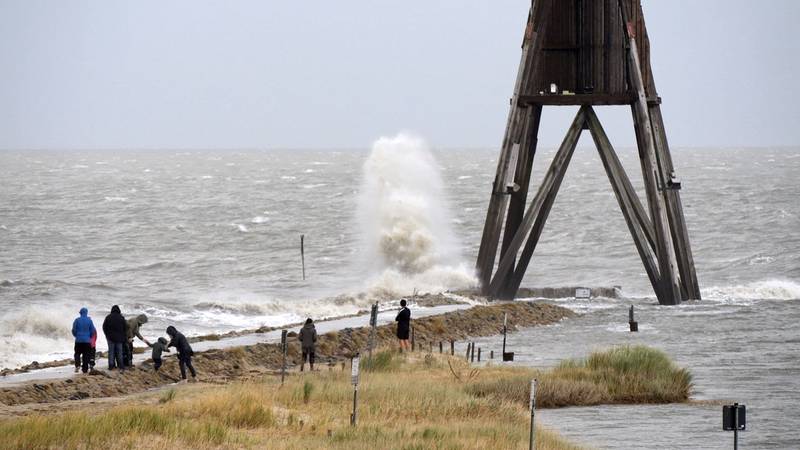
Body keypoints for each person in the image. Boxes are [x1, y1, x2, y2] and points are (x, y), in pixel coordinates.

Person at [71, 307, 96, 374]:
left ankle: (77, 365)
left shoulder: (77, 320)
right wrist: (89, 336)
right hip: (87, 341)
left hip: (78, 340)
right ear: (86, 313)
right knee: (86, 355)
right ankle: (85, 369)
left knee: (77, 353)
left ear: (80, 313)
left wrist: (76, 335)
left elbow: (73, 330)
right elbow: (93, 330)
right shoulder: (89, 320)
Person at [102, 305, 127, 371]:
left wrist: (107, 335)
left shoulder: (108, 317)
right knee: (119, 352)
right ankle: (121, 366)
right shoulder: (121, 317)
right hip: (119, 338)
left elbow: (104, 327)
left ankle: (111, 366)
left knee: (111, 352)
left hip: (110, 338)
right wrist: (123, 336)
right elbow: (125, 328)